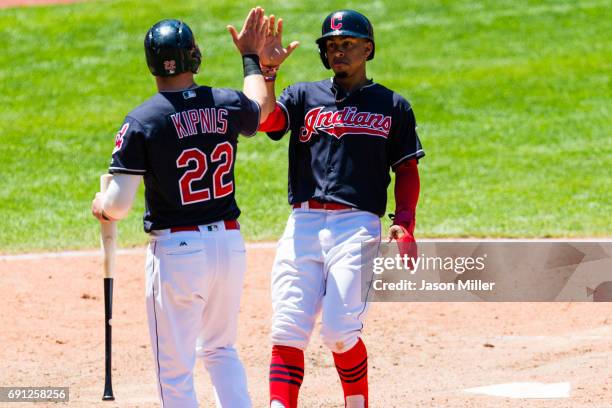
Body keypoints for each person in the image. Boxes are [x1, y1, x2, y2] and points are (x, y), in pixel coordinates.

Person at [91, 9, 272, 407]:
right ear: (193, 56)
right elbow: (260, 107)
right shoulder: (224, 102)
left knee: (173, 371)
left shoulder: (143, 120)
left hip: (178, 254)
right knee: (221, 349)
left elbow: (119, 205)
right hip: (229, 244)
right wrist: (249, 58)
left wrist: (101, 206)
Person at [256, 9, 425, 408]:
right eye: (331, 45)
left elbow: (407, 169)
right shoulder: (301, 97)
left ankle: (356, 402)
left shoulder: (393, 106)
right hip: (303, 223)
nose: (338, 52)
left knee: (338, 330)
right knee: (286, 329)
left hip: (357, 227)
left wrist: (404, 223)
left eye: (347, 44)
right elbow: (267, 122)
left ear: (368, 49)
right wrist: (266, 73)